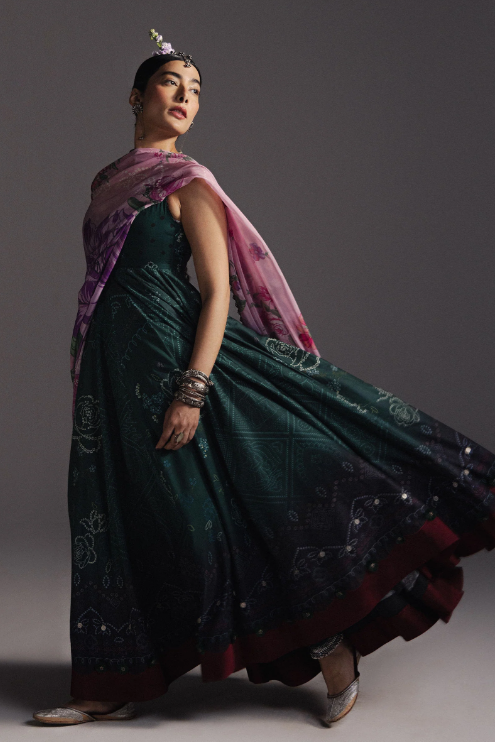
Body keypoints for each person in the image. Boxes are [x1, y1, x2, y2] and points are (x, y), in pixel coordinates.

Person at [33, 29, 495, 727]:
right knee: (122, 521)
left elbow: (216, 292)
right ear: (136, 95)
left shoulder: (188, 186)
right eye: (171, 82)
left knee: (222, 516)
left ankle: (332, 643)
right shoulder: (106, 186)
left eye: (195, 90)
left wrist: (192, 389)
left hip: (180, 366)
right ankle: (111, 682)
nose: (185, 96)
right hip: (114, 377)